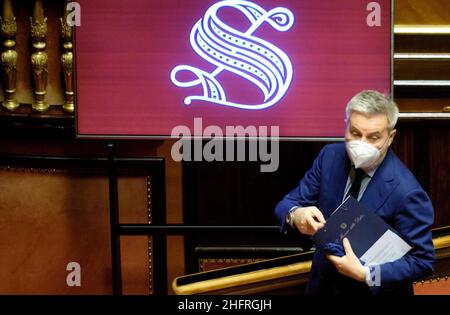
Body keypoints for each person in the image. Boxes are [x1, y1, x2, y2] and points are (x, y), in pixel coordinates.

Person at [275, 90, 435, 295]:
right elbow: (287, 204)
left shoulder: (407, 192)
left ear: (391, 136)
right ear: (346, 125)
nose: (362, 144)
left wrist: (368, 274)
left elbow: (422, 262)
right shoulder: (329, 157)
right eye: (356, 133)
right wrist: (296, 215)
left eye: (374, 137)